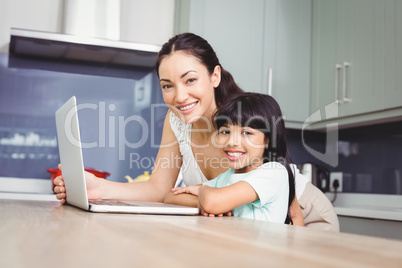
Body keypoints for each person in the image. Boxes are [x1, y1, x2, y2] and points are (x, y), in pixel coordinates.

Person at [54, 32, 338, 230]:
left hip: (301, 215)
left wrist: (205, 198)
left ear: (214, 76)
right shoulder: (175, 120)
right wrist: (97, 187)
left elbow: (221, 200)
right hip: (257, 229)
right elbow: (161, 190)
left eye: (190, 80)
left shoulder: (238, 125)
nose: (179, 97)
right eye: (167, 85)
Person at [166, 93, 295, 224]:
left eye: (246, 133)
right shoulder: (227, 177)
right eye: (225, 132)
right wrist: (201, 203)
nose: (232, 142)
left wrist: (203, 191)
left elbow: (212, 202)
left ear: (267, 140)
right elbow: (170, 197)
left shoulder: (273, 172)